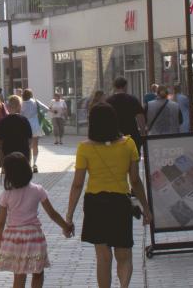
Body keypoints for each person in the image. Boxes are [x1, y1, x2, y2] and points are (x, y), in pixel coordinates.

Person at [64, 103, 152, 288]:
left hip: (95, 204)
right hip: (120, 203)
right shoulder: (129, 144)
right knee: (124, 255)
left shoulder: (84, 148)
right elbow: (135, 181)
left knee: (103, 257)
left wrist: (69, 216)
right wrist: (146, 207)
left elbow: (78, 184)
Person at [0, 152, 72, 287]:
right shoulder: (38, 190)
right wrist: (66, 226)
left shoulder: (6, 195)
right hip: (34, 238)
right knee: (38, 272)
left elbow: (0, 223)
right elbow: (52, 214)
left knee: (19, 274)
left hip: (14, 239)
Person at [105, 78, 144, 155]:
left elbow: (105, 120)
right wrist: (142, 132)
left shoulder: (108, 101)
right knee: (133, 159)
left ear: (114, 87)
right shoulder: (133, 99)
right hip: (132, 135)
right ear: (126, 86)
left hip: (114, 136)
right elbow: (140, 117)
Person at [0, 95, 33, 166]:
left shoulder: (3, 122)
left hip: (8, 154)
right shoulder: (24, 120)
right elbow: (30, 139)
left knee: (10, 175)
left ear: (8, 107)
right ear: (19, 106)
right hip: (23, 154)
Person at [19, 89, 49, 173]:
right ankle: (35, 164)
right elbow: (46, 109)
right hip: (35, 125)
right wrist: (40, 113)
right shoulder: (35, 101)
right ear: (31, 94)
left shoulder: (22, 104)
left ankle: (27, 164)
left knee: (27, 146)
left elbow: (20, 114)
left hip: (25, 126)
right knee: (35, 146)